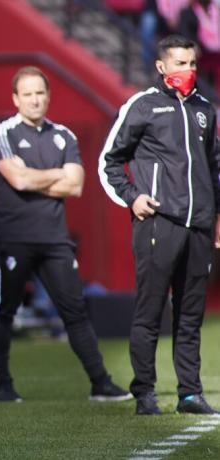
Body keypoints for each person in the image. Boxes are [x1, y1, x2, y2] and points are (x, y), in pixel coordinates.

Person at [0, 66, 131, 403]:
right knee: (4, 311)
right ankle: (2, 385)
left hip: (55, 239)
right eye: (28, 94)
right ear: (15, 99)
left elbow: (76, 185)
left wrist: (34, 176)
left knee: (75, 311)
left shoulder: (64, 135)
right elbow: (18, 181)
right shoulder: (3, 133)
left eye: (40, 93)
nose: (35, 100)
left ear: (48, 96)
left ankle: (100, 383)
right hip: (15, 238)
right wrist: (55, 177)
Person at [99, 35, 220, 415]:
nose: (188, 70)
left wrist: (216, 216)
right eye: (180, 63)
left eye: (193, 63)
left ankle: (189, 394)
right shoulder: (142, 105)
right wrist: (132, 197)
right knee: (150, 310)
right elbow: (109, 161)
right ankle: (145, 392)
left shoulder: (206, 109)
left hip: (199, 226)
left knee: (190, 314)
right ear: (161, 66)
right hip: (158, 222)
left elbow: (214, 169)